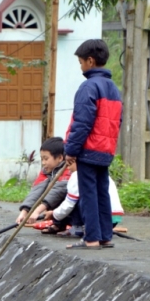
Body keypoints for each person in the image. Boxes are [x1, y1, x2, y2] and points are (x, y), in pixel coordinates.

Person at [62, 39, 122, 250]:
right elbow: (117, 120)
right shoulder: (113, 88)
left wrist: (71, 150)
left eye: (81, 62)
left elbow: (82, 123)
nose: (80, 67)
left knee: (88, 194)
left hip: (89, 149)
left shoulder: (88, 87)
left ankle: (91, 238)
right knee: (102, 192)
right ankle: (105, 236)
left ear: (90, 61)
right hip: (106, 149)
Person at [42, 158, 124, 240]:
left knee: (72, 198)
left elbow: (69, 204)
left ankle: (78, 227)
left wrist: (54, 214)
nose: (68, 168)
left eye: (69, 164)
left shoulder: (77, 175)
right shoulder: (102, 174)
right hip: (113, 219)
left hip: (97, 218)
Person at [15, 137, 71, 226]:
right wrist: (24, 211)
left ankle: (67, 223)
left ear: (60, 158)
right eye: (42, 159)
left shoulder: (69, 169)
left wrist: (37, 211)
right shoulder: (46, 171)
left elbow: (57, 192)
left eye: (46, 159)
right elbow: (37, 190)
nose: (43, 163)